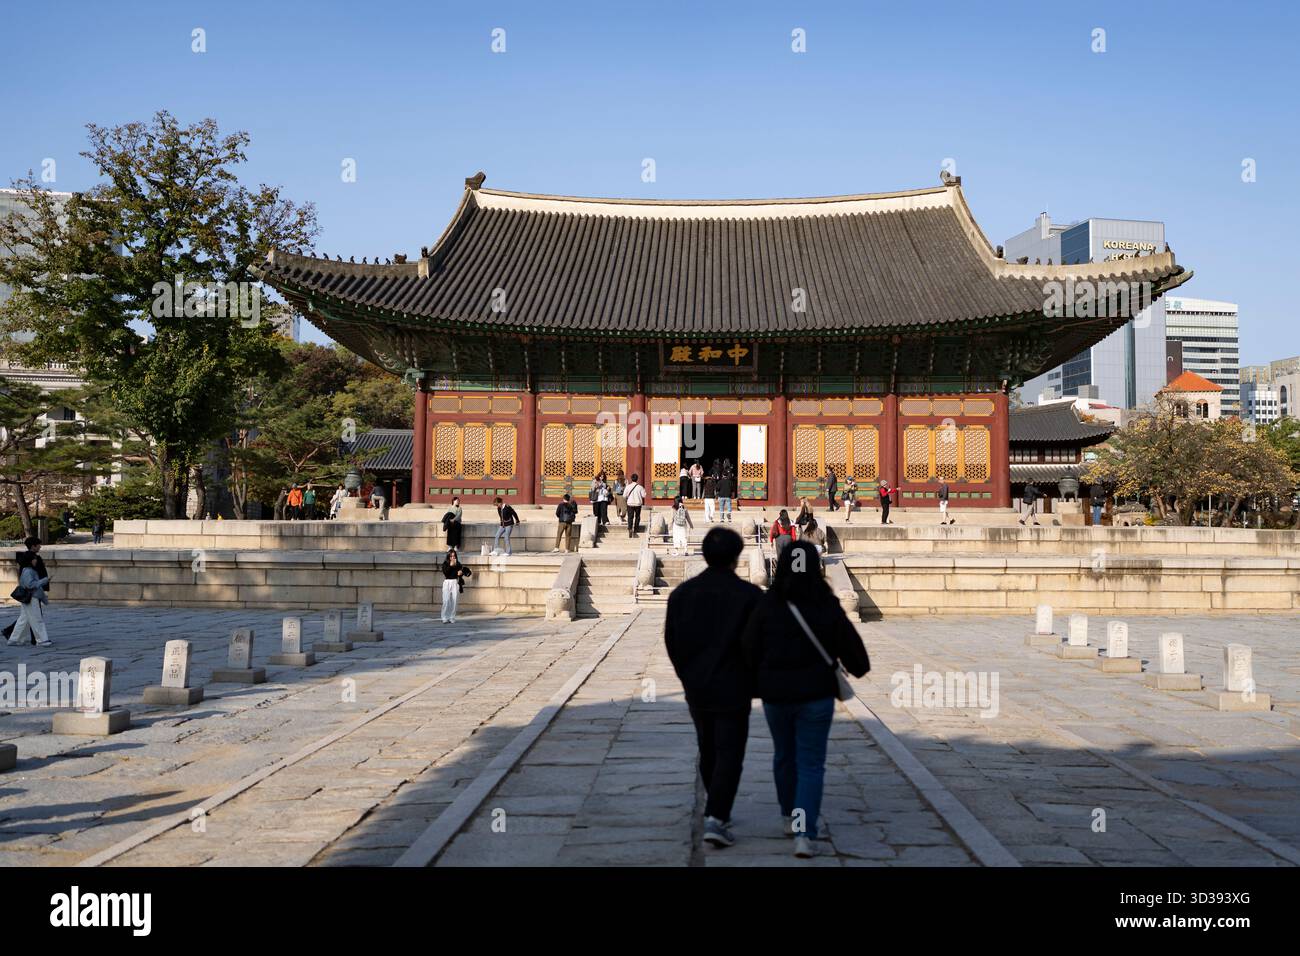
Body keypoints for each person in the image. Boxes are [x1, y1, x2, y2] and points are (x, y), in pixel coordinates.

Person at [742, 540, 870, 858]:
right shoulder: (826, 604)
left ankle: (789, 817)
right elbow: (857, 658)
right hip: (816, 694)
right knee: (811, 763)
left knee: (784, 756)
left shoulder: (767, 604)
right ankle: (803, 832)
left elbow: (747, 650)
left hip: (776, 695)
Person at [665, 527, 763, 849]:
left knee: (707, 747)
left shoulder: (681, 594)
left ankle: (715, 806)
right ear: (737, 557)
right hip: (734, 687)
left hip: (697, 686)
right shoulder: (750, 597)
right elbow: (758, 645)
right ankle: (717, 816)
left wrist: (686, 675)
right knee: (730, 752)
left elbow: (672, 642)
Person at [8, 538, 53, 647]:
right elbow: (31, 585)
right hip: (32, 596)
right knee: (37, 618)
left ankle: (14, 639)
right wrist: (45, 580)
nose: (36, 561)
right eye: (34, 560)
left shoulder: (27, 570)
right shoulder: (29, 571)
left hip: (28, 597)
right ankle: (42, 640)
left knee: (25, 618)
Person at [439, 548, 472, 623]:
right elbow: (446, 573)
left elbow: (462, 572)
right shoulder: (445, 564)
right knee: (446, 600)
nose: (453, 558)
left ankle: (452, 617)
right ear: (448, 557)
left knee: (454, 600)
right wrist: (451, 566)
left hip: (455, 582)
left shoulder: (458, 564)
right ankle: (444, 617)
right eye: (451, 556)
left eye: (454, 556)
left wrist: (461, 573)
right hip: (447, 582)